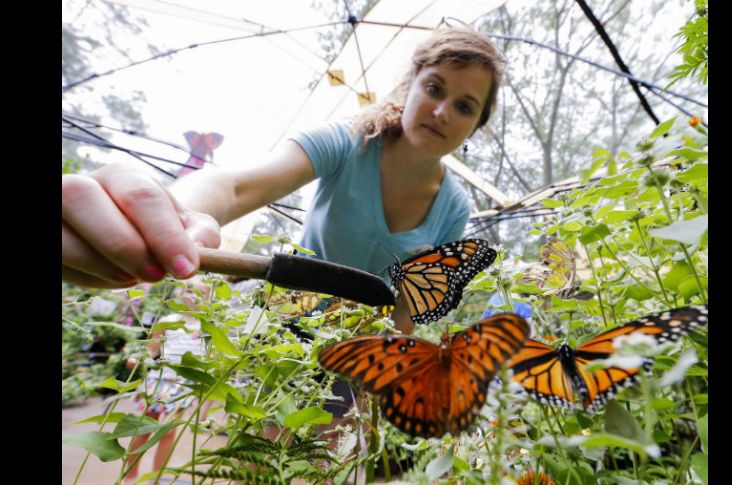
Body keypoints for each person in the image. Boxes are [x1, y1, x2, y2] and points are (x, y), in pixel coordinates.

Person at [63, 25, 504, 425]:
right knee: (259, 440)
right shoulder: (348, 143)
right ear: (409, 88)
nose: (443, 111)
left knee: (316, 453)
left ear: (475, 127)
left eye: (465, 106)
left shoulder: (454, 209)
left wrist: (379, 373)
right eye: (434, 88)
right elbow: (235, 187)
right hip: (282, 326)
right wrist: (173, 215)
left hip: (354, 349)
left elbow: (408, 308)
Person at [123, 277, 213, 483]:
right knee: (144, 426)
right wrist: (137, 359)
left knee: (169, 431)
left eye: (200, 293)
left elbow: (209, 360)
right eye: (189, 291)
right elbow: (151, 350)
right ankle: (130, 475)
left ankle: (157, 476)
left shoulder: (207, 327)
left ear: (208, 298)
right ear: (180, 293)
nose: (193, 296)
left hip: (185, 384)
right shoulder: (167, 320)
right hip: (161, 379)